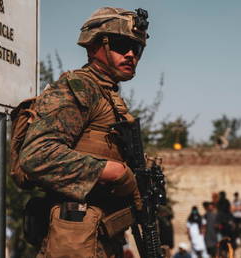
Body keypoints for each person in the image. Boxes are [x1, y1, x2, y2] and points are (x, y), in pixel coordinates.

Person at [19, 7, 150, 257]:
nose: (132, 54)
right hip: (75, 239)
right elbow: (36, 155)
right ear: (93, 47)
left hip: (98, 237)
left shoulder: (108, 96)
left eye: (138, 49)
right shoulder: (79, 88)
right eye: (122, 45)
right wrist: (113, 171)